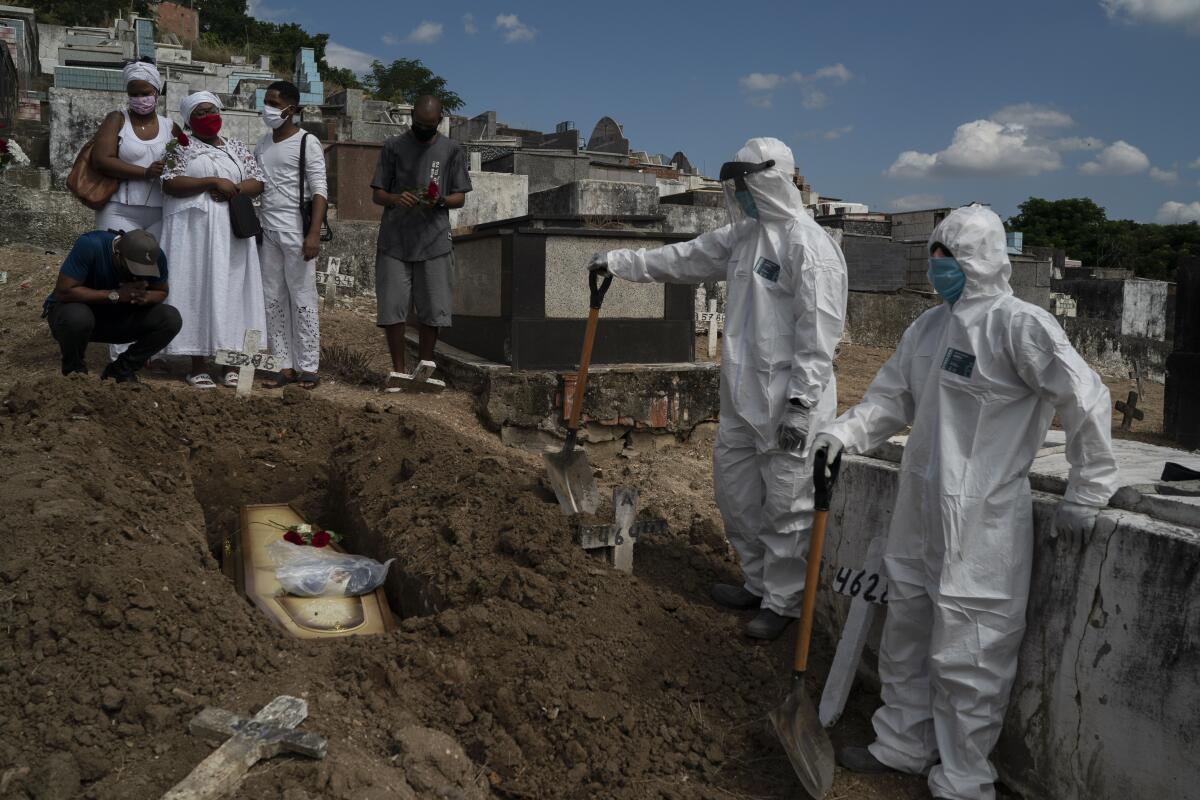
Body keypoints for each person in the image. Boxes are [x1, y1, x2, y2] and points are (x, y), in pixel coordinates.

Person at [808, 204, 1119, 800]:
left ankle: (963, 780)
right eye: (935, 255)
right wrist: (841, 434)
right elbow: (889, 400)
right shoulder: (927, 329)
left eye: (950, 256)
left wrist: (1088, 487)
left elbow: (1086, 397)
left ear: (980, 261)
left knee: (971, 652)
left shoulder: (1019, 326)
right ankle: (902, 743)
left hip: (984, 521)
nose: (938, 266)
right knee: (906, 629)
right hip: (919, 509)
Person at [590, 137, 848, 640]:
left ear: (770, 180)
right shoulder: (744, 237)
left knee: (787, 506)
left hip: (791, 404)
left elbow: (819, 336)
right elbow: (683, 259)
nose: (742, 194)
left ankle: (784, 603)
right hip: (743, 399)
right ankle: (755, 582)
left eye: (747, 184)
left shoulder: (809, 247)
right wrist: (618, 261)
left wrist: (801, 404)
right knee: (736, 499)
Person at [161, 91, 268, 389]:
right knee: (198, 289)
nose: (208, 117)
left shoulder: (235, 146)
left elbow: (257, 181)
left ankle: (232, 363)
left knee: (233, 290)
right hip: (194, 234)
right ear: (188, 119)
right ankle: (197, 365)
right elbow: (170, 183)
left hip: (232, 232)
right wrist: (210, 181)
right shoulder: (177, 146)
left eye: (212, 111)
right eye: (200, 113)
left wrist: (232, 187)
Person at [369, 95, 471, 389]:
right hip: (395, 240)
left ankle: (425, 368)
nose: (423, 129)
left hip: (435, 240)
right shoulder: (393, 147)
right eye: (418, 123)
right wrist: (395, 198)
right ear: (411, 116)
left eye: (429, 125)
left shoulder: (451, 149)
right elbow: (377, 193)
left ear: (440, 121)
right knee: (392, 307)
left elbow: (460, 196)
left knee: (434, 308)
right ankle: (399, 371)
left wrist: (439, 200)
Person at [254, 80, 328, 390]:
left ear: (292, 109)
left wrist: (313, 234)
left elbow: (320, 190)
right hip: (267, 231)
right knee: (272, 300)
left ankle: (308, 367)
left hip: (297, 232)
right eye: (266, 102)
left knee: (303, 299)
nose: (268, 109)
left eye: (274, 103)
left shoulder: (306, 141)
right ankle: (282, 365)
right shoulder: (262, 144)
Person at [43, 229, 181, 382]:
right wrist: (116, 295)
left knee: (170, 318)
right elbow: (64, 291)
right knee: (77, 317)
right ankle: (76, 374)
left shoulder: (154, 256)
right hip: (79, 314)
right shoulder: (90, 245)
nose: (139, 274)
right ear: (117, 253)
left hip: (119, 316)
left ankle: (121, 370)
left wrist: (144, 296)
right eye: (134, 267)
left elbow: (161, 291)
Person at [90, 60, 179, 238]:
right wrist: (145, 172)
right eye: (134, 94)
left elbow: (186, 159)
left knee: (156, 263)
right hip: (119, 209)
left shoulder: (170, 126)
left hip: (161, 211)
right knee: (117, 261)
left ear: (157, 92)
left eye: (145, 93)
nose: (140, 99)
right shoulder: (117, 119)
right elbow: (101, 160)